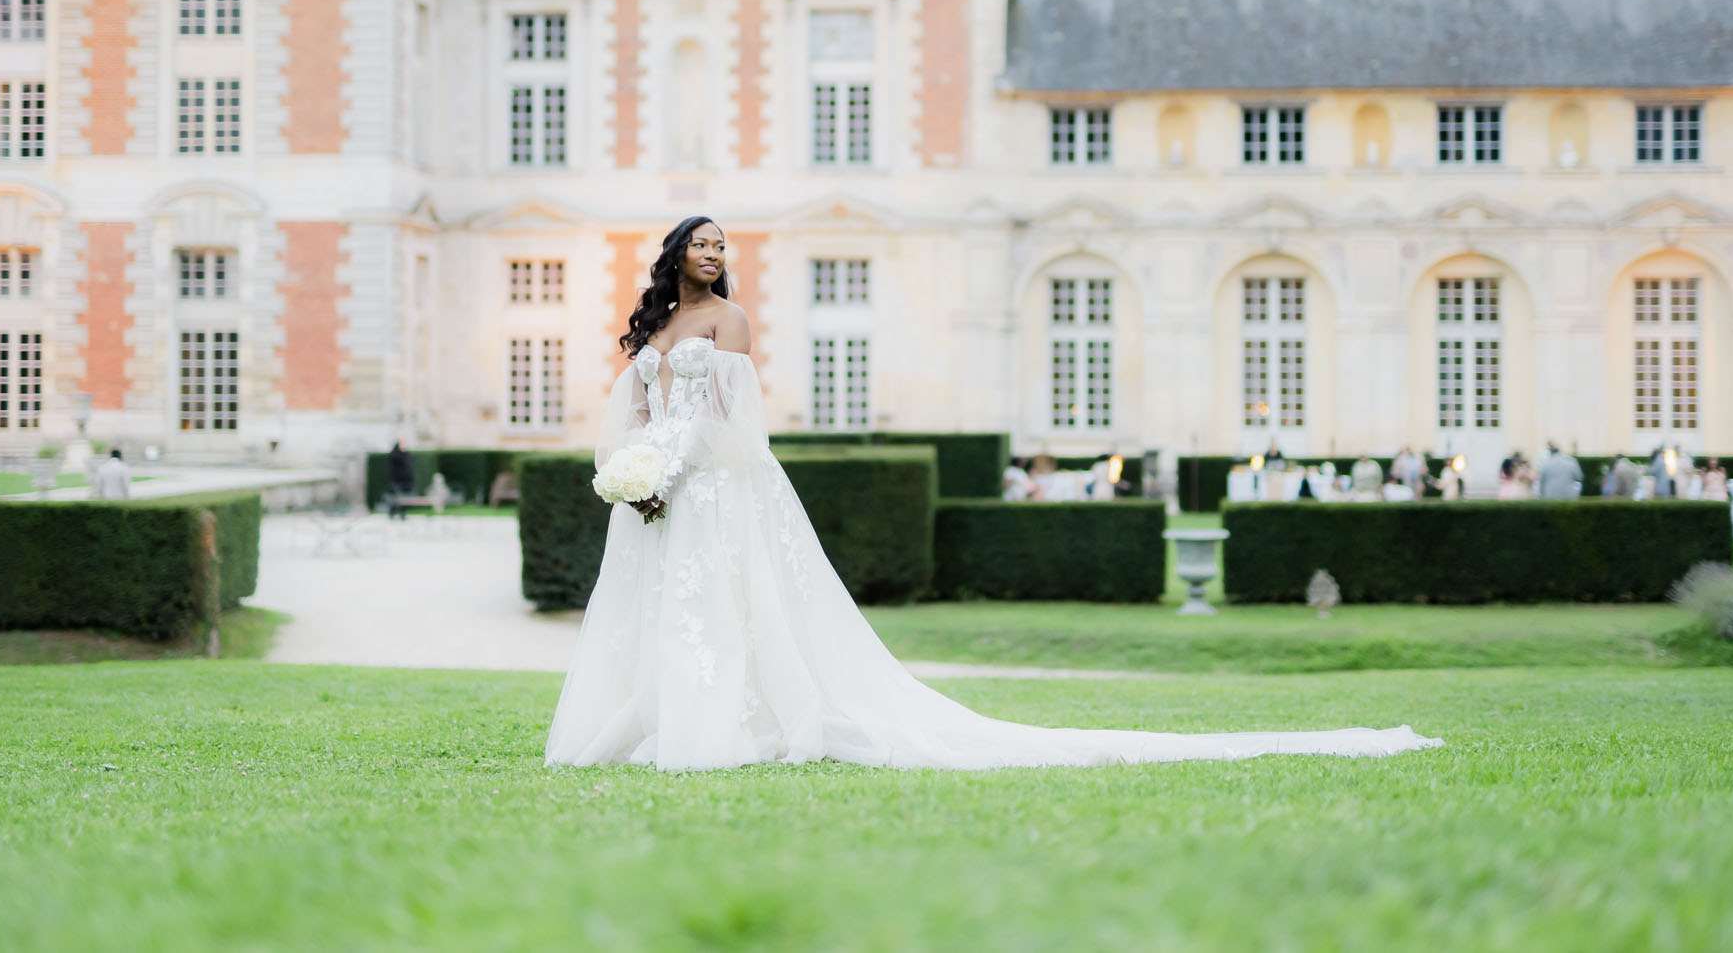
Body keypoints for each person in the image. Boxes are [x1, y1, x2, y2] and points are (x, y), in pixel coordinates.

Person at [545, 216, 1442, 771]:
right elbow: (639, 400)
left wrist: (674, 464)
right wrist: (633, 467)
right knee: (666, 611)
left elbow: (740, 421)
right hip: (662, 493)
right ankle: (661, 720)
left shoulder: (731, 319)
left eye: (720, 245)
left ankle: (731, 724)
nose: (712, 254)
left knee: (733, 609)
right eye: (700, 243)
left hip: (717, 488)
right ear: (675, 254)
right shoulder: (657, 324)